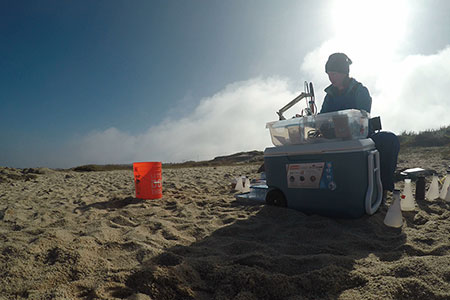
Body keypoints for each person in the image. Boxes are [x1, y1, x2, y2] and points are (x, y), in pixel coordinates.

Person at [321, 53, 400, 202]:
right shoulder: (329, 95)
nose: (331, 78)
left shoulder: (359, 90)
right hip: (334, 139)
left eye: (334, 73)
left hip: (362, 136)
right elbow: (322, 119)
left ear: (344, 73)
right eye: (328, 74)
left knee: (389, 140)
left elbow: (363, 116)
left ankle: (382, 188)